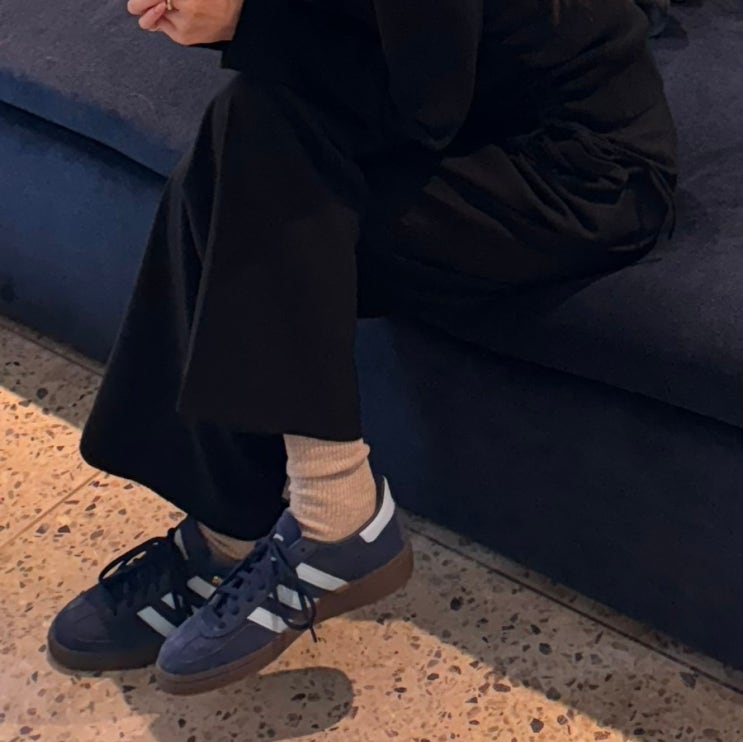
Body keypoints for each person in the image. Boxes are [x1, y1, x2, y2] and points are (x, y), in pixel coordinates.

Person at [47, 0, 677, 695]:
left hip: (574, 176)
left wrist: (249, 24)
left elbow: (429, 91)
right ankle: (237, 529)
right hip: (464, 126)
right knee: (246, 134)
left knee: (260, 154)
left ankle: (329, 513)